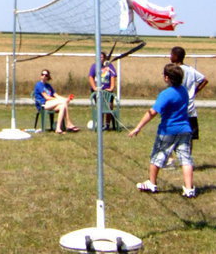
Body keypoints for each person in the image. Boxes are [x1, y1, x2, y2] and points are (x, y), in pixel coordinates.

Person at [128, 63, 196, 198]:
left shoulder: (166, 94)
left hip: (168, 130)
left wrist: (138, 127)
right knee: (185, 159)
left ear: (166, 78)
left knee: (157, 156)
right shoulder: (183, 90)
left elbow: (152, 112)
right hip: (185, 129)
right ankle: (189, 189)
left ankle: (152, 183)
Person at [169, 47, 208, 146]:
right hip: (190, 106)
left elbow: (204, 80)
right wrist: (195, 91)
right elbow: (204, 80)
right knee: (189, 135)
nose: (170, 57)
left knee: (173, 133)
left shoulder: (173, 70)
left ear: (176, 57)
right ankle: (188, 157)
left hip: (177, 106)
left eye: (171, 55)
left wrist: (195, 91)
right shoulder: (191, 70)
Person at [32, 69, 79, 134]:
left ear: (48, 77)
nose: (44, 76)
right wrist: (62, 100)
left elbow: (56, 95)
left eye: (46, 75)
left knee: (62, 106)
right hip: (43, 104)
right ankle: (68, 123)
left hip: (50, 103)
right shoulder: (39, 84)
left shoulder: (49, 86)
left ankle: (58, 128)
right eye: (42, 74)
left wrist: (66, 99)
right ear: (40, 76)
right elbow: (47, 97)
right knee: (63, 102)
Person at [88, 52, 117, 130]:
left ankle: (107, 124)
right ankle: (100, 124)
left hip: (107, 91)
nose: (100, 58)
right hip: (98, 91)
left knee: (109, 107)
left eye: (101, 57)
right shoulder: (94, 66)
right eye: (98, 57)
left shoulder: (109, 66)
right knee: (100, 106)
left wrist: (111, 88)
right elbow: (90, 77)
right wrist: (94, 87)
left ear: (104, 58)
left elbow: (113, 76)